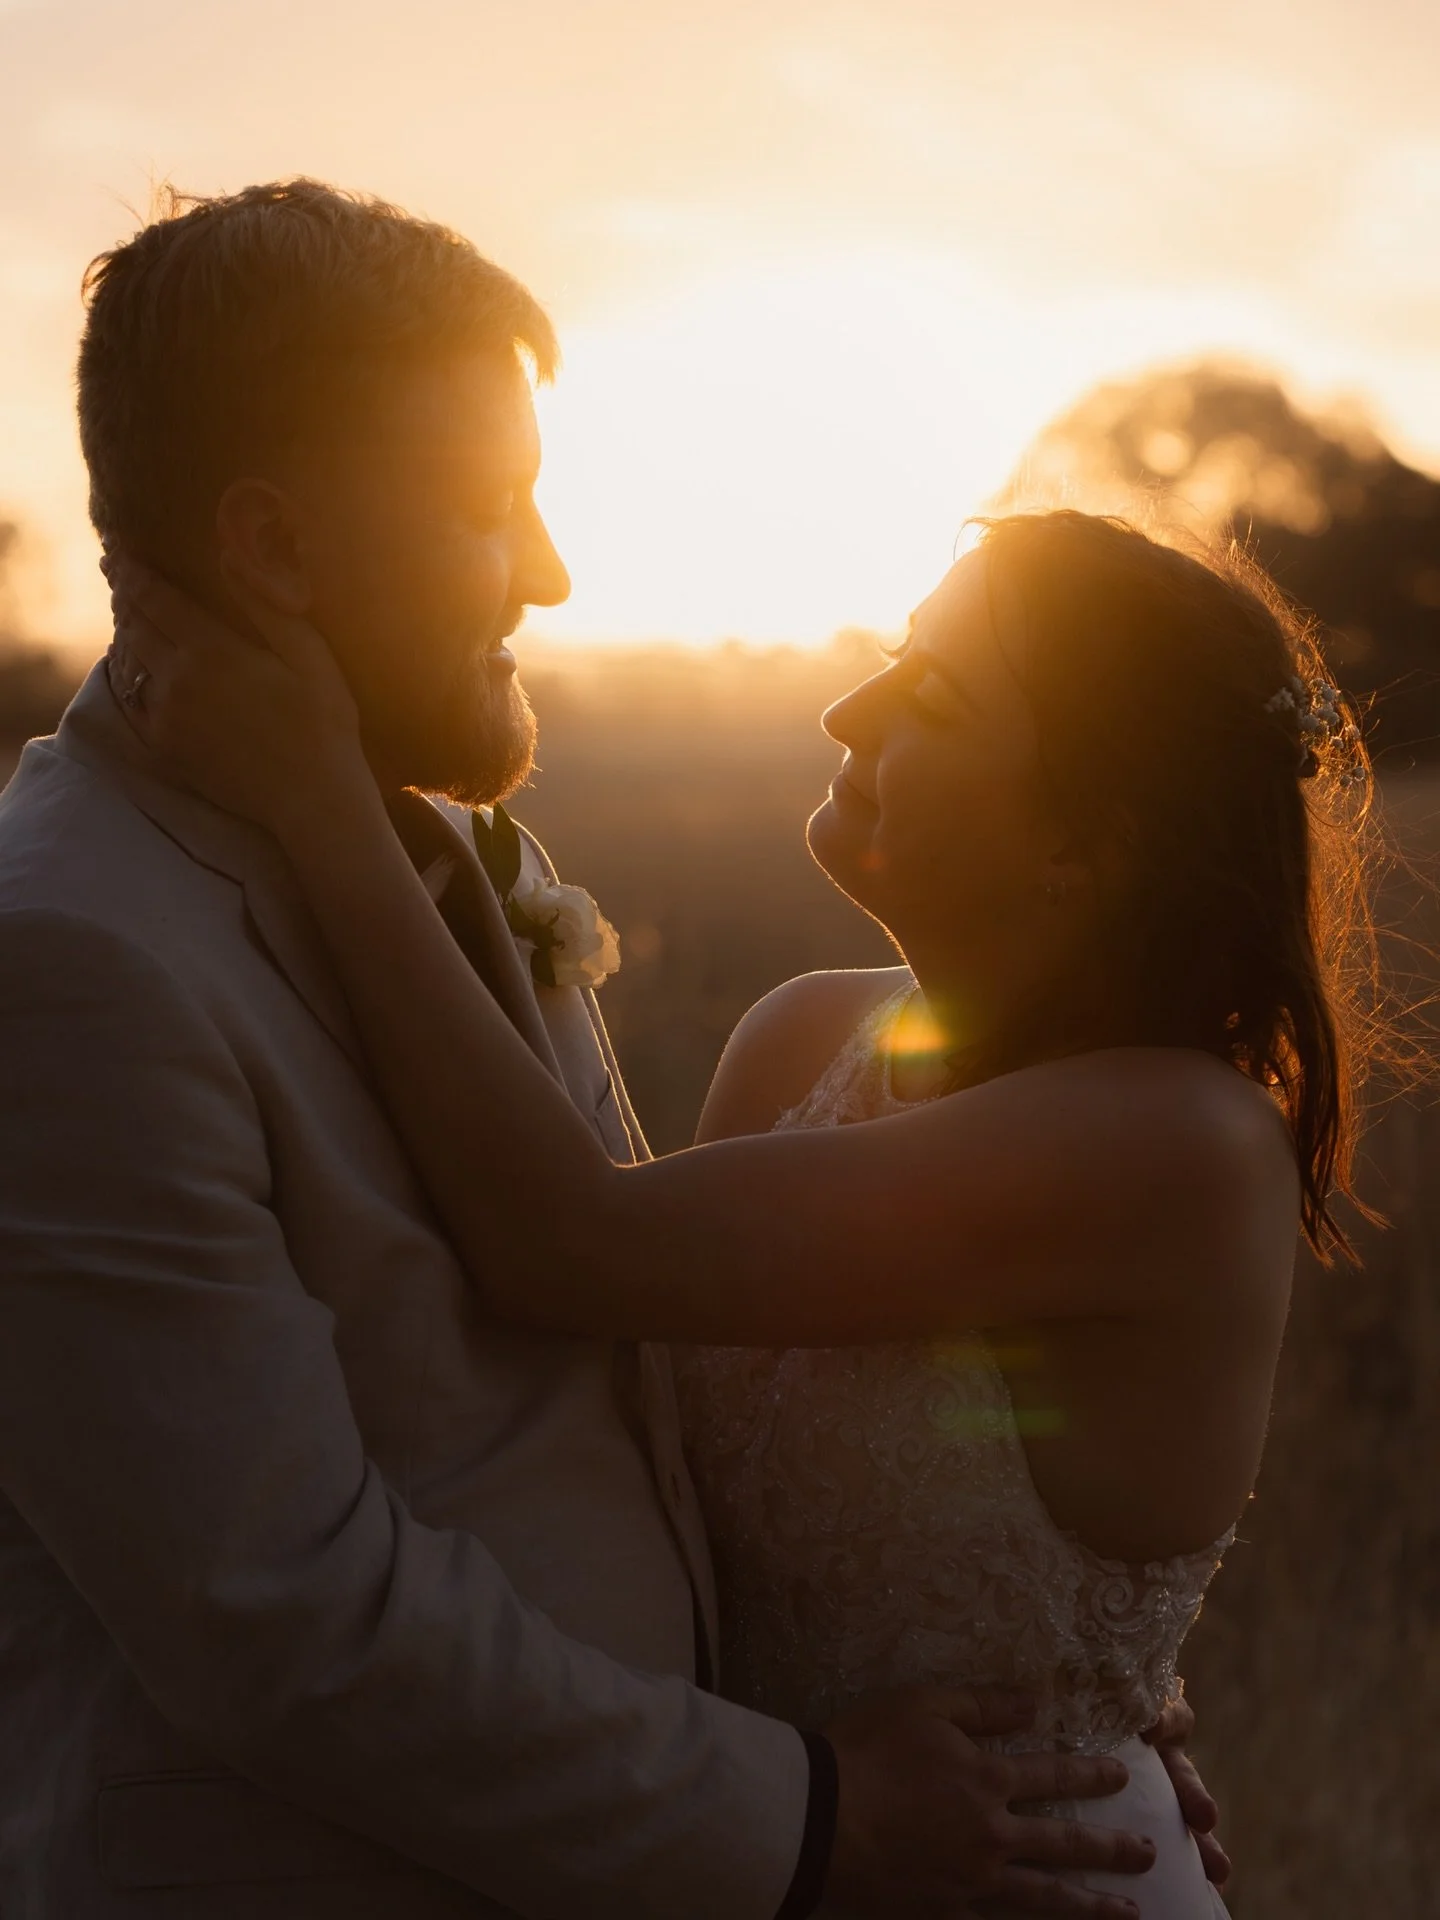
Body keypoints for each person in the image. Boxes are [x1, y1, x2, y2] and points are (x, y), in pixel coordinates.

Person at [0, 179, 1187, 1920]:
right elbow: (283, 1619)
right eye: (492, 511)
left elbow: (621, 1395)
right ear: (273, 548)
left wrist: (1062, 1737)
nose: (549, 572)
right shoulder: (67, 959)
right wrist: (811, 1821)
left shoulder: (461, 865)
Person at [106, 490, 1372, 1915]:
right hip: (792, 1853)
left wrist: (321, 803)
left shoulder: (1175, 1140)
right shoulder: (801, 1039)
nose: (847, 710)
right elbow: (625, 1438)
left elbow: (569, 1245)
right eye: (893, 651)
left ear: (1093, 837)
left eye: (935, 695)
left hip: (1034, 1874)